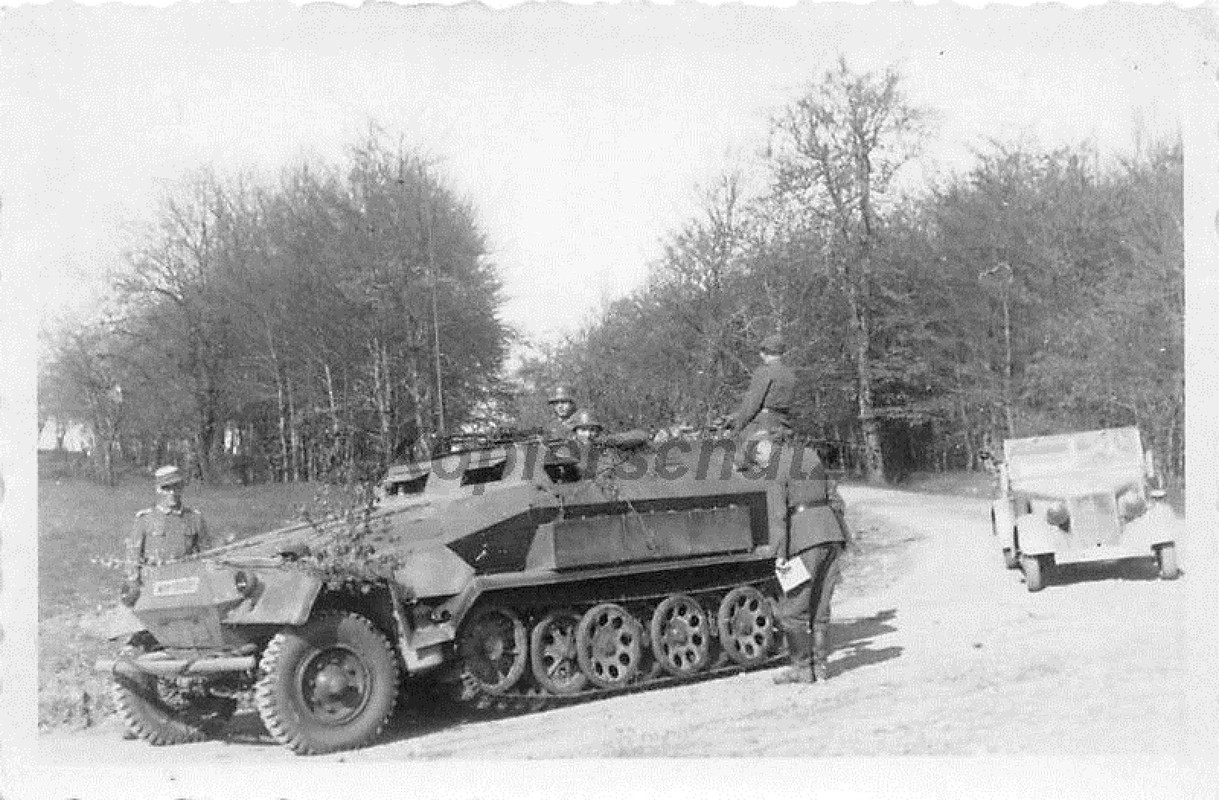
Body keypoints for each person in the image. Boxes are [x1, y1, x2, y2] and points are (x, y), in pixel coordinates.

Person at [771, 442, 851, 685]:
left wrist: (779, 553)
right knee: (820, 605)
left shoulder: (778, 466)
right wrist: (840, 535)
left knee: (794, 609)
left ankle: (802, 669)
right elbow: (836, 500)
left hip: (805, 539)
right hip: (831, 535)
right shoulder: (811, 457)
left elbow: (777, 514)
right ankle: (822, 667)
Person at [122, 465, 211, 605]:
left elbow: (207, 556)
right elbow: (132, 558)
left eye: (176, 487)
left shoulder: (194, 518)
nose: (172, 493)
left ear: (182, 488)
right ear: (158, 489)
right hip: (154, 587)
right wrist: (133, 585)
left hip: (187, 586)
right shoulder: (145, 520)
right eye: (166, 488)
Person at [725, 334, 796, 469]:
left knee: (733, 459)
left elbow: (752, 404)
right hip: (783, 427)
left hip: (762, 427)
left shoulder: (764, 372)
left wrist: (736, 427)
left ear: (765, 352)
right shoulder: (790, 375)